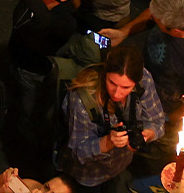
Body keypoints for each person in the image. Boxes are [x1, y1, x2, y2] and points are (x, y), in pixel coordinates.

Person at [61, 45, 164, 193]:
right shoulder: (83, 99)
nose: (117, 93)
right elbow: (78, 152)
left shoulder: (144, 80)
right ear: (105, 73)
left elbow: (157, 121)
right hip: (89, 175)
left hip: (119, 165)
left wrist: (147, 134)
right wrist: (108, 141)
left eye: (126, 87)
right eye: (112, 83)